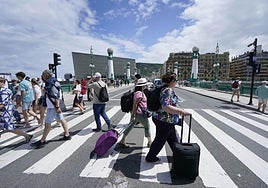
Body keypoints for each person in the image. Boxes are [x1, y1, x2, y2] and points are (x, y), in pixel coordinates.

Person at [145, 72, 191, 163]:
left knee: (172, 138)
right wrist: (181, 111)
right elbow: (165, 106)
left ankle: (178, 154)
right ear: (172, 81)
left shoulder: (163, 88)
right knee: (160, 140)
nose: (176, 82)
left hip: (162, 118)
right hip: (165, 120)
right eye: (176, 80)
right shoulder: (167, 90)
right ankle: (150, 157)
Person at [31, 70, 71, 149]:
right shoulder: (55, 81)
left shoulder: (49, 82)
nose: (42, 76)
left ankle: (42, 141)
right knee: (61, 119)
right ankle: (67, 135)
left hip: (53, 107)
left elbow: (55, 95)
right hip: (54, 105)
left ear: (46, 75)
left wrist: (57, 107)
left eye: (43, 75)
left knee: (47, 123)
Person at [117, 78, 152, 148]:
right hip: (140, 113)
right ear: (142, 86)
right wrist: (133, 115)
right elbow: (135, 104)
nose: (146, 86)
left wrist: (133, 115)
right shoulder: (139, 93)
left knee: (130, 126)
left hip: (137, 113)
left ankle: (122, 141)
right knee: (147, 126)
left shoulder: (138, 92)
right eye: (145, 85)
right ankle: (150, 142)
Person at [0, 77, 33, 143]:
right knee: (9, 128)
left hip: (5, 113)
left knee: (10, 128)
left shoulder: (4, 91)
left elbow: (3, 104)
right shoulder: (6, 90)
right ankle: (27, 135)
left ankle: (27, 135)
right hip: (5, 112)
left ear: (2, 83)